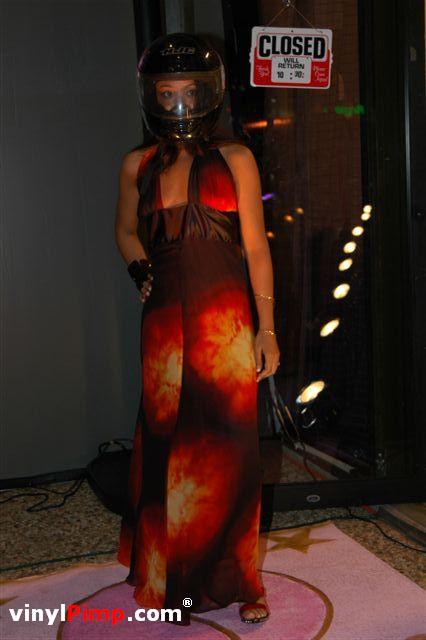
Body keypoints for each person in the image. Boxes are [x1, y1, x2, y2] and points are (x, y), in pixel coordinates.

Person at [115, 32, 280, 626]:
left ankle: (241, 580)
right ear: (151, 96)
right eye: (167, 92)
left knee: (230, 456)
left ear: (209, 93)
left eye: (189, 90)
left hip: (227, 328)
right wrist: (139, 267)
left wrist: (267, 328)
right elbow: (125, 232)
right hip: (163, 332)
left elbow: (256, 249)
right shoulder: (136, 165)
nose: (179, 102)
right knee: (168, 452)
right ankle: (174, 586)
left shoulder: (236, 159)